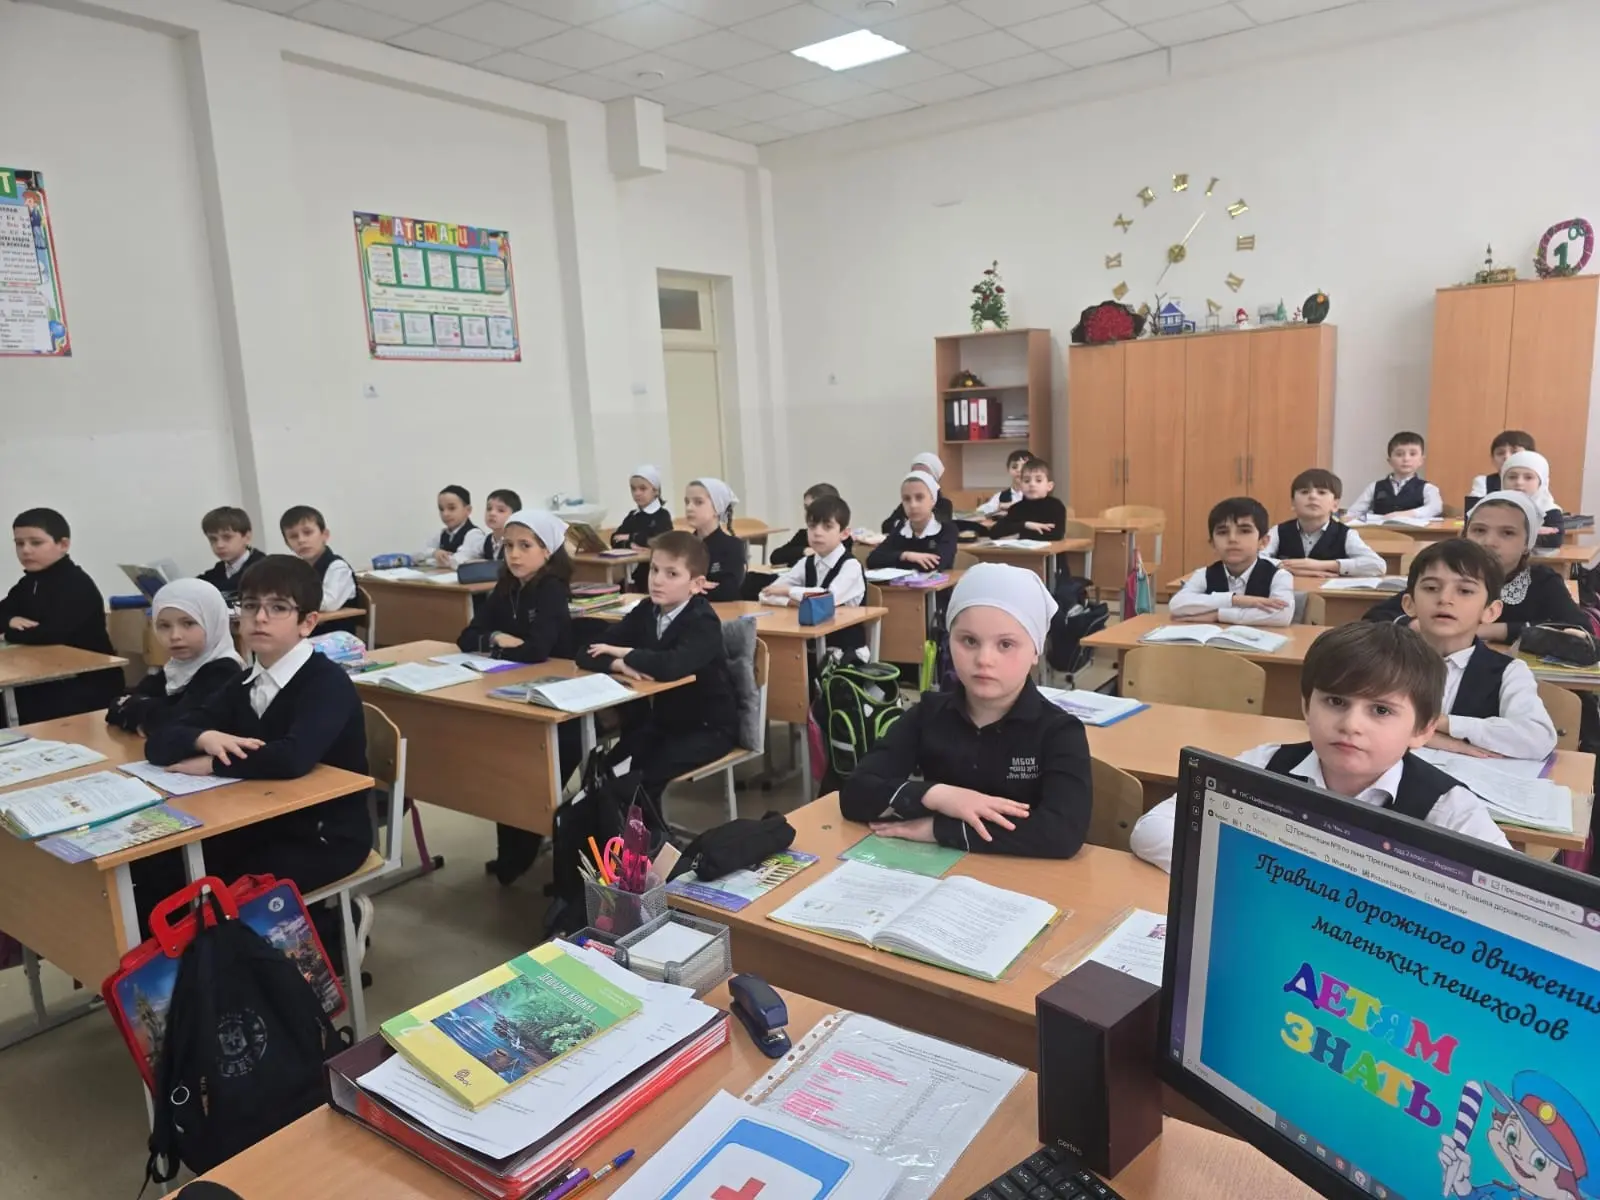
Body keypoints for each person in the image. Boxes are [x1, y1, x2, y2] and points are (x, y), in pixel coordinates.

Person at [1130, 621, 1512, 873]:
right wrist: (1265, 872)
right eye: (1335, 701)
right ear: (1305, 707)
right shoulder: (1267, 764)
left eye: (1380, 710)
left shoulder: (1447, 807)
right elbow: (1152, 829)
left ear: (1423, 730)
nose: (1350, 724)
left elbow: (1516, 900)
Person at [140, 555, 374, 928]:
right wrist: (205, 736)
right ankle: (171, 966)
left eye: (278, 608)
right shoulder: (244, 682)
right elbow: (159, 743)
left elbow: (293, 757)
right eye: (250, 606)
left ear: (307, 622)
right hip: (260, 820)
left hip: (324, 834)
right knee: (157, 869)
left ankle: (334, 931)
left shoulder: (326, 683)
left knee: (221, 895)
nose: (260, 618)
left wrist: (212, 763)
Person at [840, 563, 1092, 856]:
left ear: (1035, 650)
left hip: (1020, 878)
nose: (984, 659)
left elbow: (1062, 833)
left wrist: (939, 829)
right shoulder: (928, 714)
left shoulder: (1059, 732)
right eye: (969, 641)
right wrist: (940, 796)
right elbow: (855, 794)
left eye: (1006, 644)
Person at [456, 509, 579, 887]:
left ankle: (522, 853)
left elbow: (537, 650)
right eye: (509, 546)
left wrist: (496, 646)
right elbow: (466, 636)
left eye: (525, 546)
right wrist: (496, 638)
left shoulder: (551, 588)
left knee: (528, 774)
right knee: (505, 767)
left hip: (559, 702)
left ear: (547, 551)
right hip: (513, 691)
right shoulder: (507, 586)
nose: (514, 554)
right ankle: (511, 855)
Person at [576, 531, 737, 803]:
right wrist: (617, 663)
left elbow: (671, 666)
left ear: (696, 584)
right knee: (606, 770)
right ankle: (608, 827)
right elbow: (586, 651)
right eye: (654, 570)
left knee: (643, 778)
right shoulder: (646, 610)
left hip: (708, 728)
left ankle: (646, 830)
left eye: (671, 574)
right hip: (663, 725)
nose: (657, 580)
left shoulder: (703, 621)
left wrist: (626, 653)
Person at [1399, 539, 1556, 760]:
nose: (1445, 599)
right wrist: (1432, 739)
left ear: (1491, 612)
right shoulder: (1385, 659)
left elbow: (1539, 738)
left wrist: (1441, 723)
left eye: (1465, 590)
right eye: (1431, 588)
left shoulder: (1509, 671)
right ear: (1409, 604)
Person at [1364, 492, 1588, 641]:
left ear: (1526, 545)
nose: (1489, 542)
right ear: (1465, 535)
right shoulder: (1444, 575)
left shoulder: (1542, 582)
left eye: (1507, 533)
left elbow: (1580, 632)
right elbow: (1375, 620)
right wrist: (1419, 626)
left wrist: (1491, 630)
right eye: (1479, 530)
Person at [0, 507, 122, 723]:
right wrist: (10, 620)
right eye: (19, 543)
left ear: (63, 545)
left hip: (84, 683)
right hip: (44, 676)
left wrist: (9, 632)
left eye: (36, 543)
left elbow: (50, 634)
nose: (26, 550)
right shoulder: (29, 582)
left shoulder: (76, 584)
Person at [107, 579, 243, 735]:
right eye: (164, 626)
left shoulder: (224, 671)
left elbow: (179, 724)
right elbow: (116, 705)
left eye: (188, 623)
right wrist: (147, 714)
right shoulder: (177, 666)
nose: (174, 636)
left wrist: (135, 711)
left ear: (213, 622)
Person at [1169, 496, 1294, 626]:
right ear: (1213, 544)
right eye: (1223, 532)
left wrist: (1218, 615)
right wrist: (1235, 600)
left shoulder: (1279, 576)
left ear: (1263, 542)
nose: (1232, 539)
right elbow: (1176, 606)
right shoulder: (1203, 574)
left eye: (1244, 531)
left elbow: (1282, 615)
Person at [1263, 469, 1384, 577]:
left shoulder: (1346, 534)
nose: (1312, 496)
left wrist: (1320, 565)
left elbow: (1377, 565)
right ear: (1293, 503)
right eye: (1304, 492)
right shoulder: (1278, 531)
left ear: (1335, 504)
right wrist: (1284, 566)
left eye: (1321, 492)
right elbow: (1256, 558)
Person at [279, 504, 360, 634]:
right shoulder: (297, 569)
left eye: (308, 533)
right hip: (308, 633)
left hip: (336, 637)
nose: (301, 540)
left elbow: (328, 604)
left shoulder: (337, 567)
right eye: (293, 536)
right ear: (287, 543)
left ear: (324, 535)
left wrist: (290, 599)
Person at [867, 470, 957, 572]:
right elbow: (872, 560)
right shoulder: (901, 529)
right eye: (906, 499)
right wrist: (905, 555)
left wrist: (895, 560)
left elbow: (934, 565)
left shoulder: (947, 529)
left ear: (933, 500)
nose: (913, 505)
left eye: (919, 497)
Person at [1346, 430, 1443, 519]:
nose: (1406, 459)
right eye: (1399, 454)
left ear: (1421, 460)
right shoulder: (1375, 487)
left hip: (1415, 532)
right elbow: (1353, 512)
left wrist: (1406, 514)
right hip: (1380, 531)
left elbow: (1435, 507)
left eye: (1412, 454)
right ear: (1390, 461)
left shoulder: (1428, 488)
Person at [610, 465, 673, 592]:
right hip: (629, 573)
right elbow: (615, 539)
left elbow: (661, 541)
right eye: (633, 489)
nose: (637, 493)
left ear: (656, 491)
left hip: (650, 573)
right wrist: (631, 543)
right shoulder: (632, 516)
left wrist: (631, 537)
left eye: (642, 488)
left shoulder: (662, 516)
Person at [683, 477, 746, 602]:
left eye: (698, 502)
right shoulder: (682, 545)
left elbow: (727, 591)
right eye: (687, 502)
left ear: (717, 508)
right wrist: (694, 586)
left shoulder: (732, 546)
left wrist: (689, 587)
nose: (689, 508)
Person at [986, 457, 1067, 540]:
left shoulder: (1056, 506)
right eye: (1027, 481)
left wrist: (1019, 532)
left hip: (1049, 548)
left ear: (1049, 486)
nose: (1032, 484)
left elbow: (1056, 535)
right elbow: (994, 533)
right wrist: (1025, 525)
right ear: (1021, 486)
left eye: (1038, 480)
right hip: (1021, 548)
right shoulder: (1016, 508)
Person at [195, 506, 265, 601]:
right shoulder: (213, 575)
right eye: (213, 539)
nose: (219, 545)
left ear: (247, 537)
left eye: (227, 537)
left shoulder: (265, 570)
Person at [1499, 450, 1564, 549]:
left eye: (1528, 477)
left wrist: (1507, 534)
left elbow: (1554, 541)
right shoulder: (1493, 507)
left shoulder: (1549, 511)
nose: (1519, 482)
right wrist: (1531, 533)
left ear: (1541, 483)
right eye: (1512, 477)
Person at [1465, 429, 1536, 515]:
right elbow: (1472, 515)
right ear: (1492, 459)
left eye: (1514, 452)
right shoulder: (1484, 482)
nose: (1506, 457)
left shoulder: (1537, 482)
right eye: (1500, 453)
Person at [880, 452, 955, 533]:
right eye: (915, 474)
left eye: (924, 475)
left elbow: (939, 528)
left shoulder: (944, 504)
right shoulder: (909, 502)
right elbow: (887, 526)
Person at [421, 484, 486, 567]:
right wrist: (435, 552)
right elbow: (419, 554)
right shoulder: (442, 534)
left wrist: (430, 560)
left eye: (452, 508)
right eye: (441, 509)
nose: (445, 514)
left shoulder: (474, 534)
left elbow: (457, 561)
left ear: (468, 510)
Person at [978, 448, 1034, 517]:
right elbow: (980, 511)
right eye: (1014, 467)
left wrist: (1012, 505)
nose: (1019, 470)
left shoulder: (1037, 494)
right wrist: (997, 508)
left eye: (1024, 467)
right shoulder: (1000, 496)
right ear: (1008, 469)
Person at [481, 488, 522, 563]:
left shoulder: (517, 542)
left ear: (514, 515)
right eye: (489, 509)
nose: (492, 513)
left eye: (501, 510)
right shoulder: (486, 540)